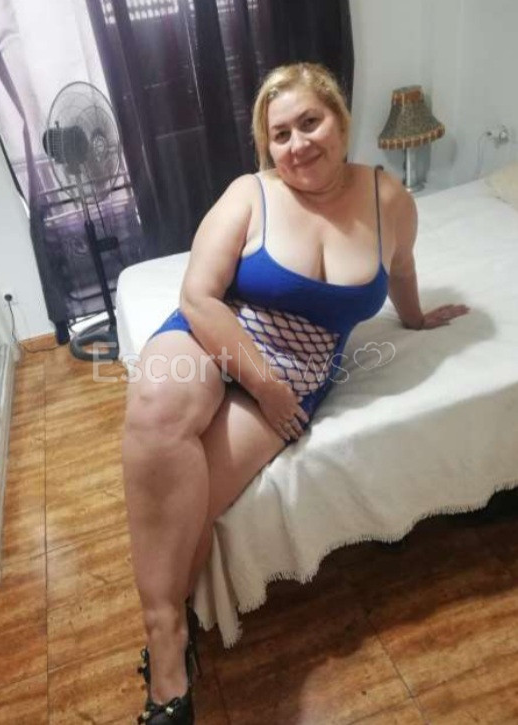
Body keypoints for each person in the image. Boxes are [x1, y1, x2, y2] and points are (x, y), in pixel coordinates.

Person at [122, 62, 470, 724]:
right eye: (280, 134)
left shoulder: (389, 198)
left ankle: (172, 633)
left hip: (300, 370)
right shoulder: (249, 193)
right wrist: (263, 385)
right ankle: (164, 640)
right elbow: (198, 296)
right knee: (156, 407)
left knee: (193, 507)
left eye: (310, 122)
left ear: (340, 119)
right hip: (215, 335)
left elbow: (402, 268)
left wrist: (418, 318)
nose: (298, 143)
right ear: (267, 146)